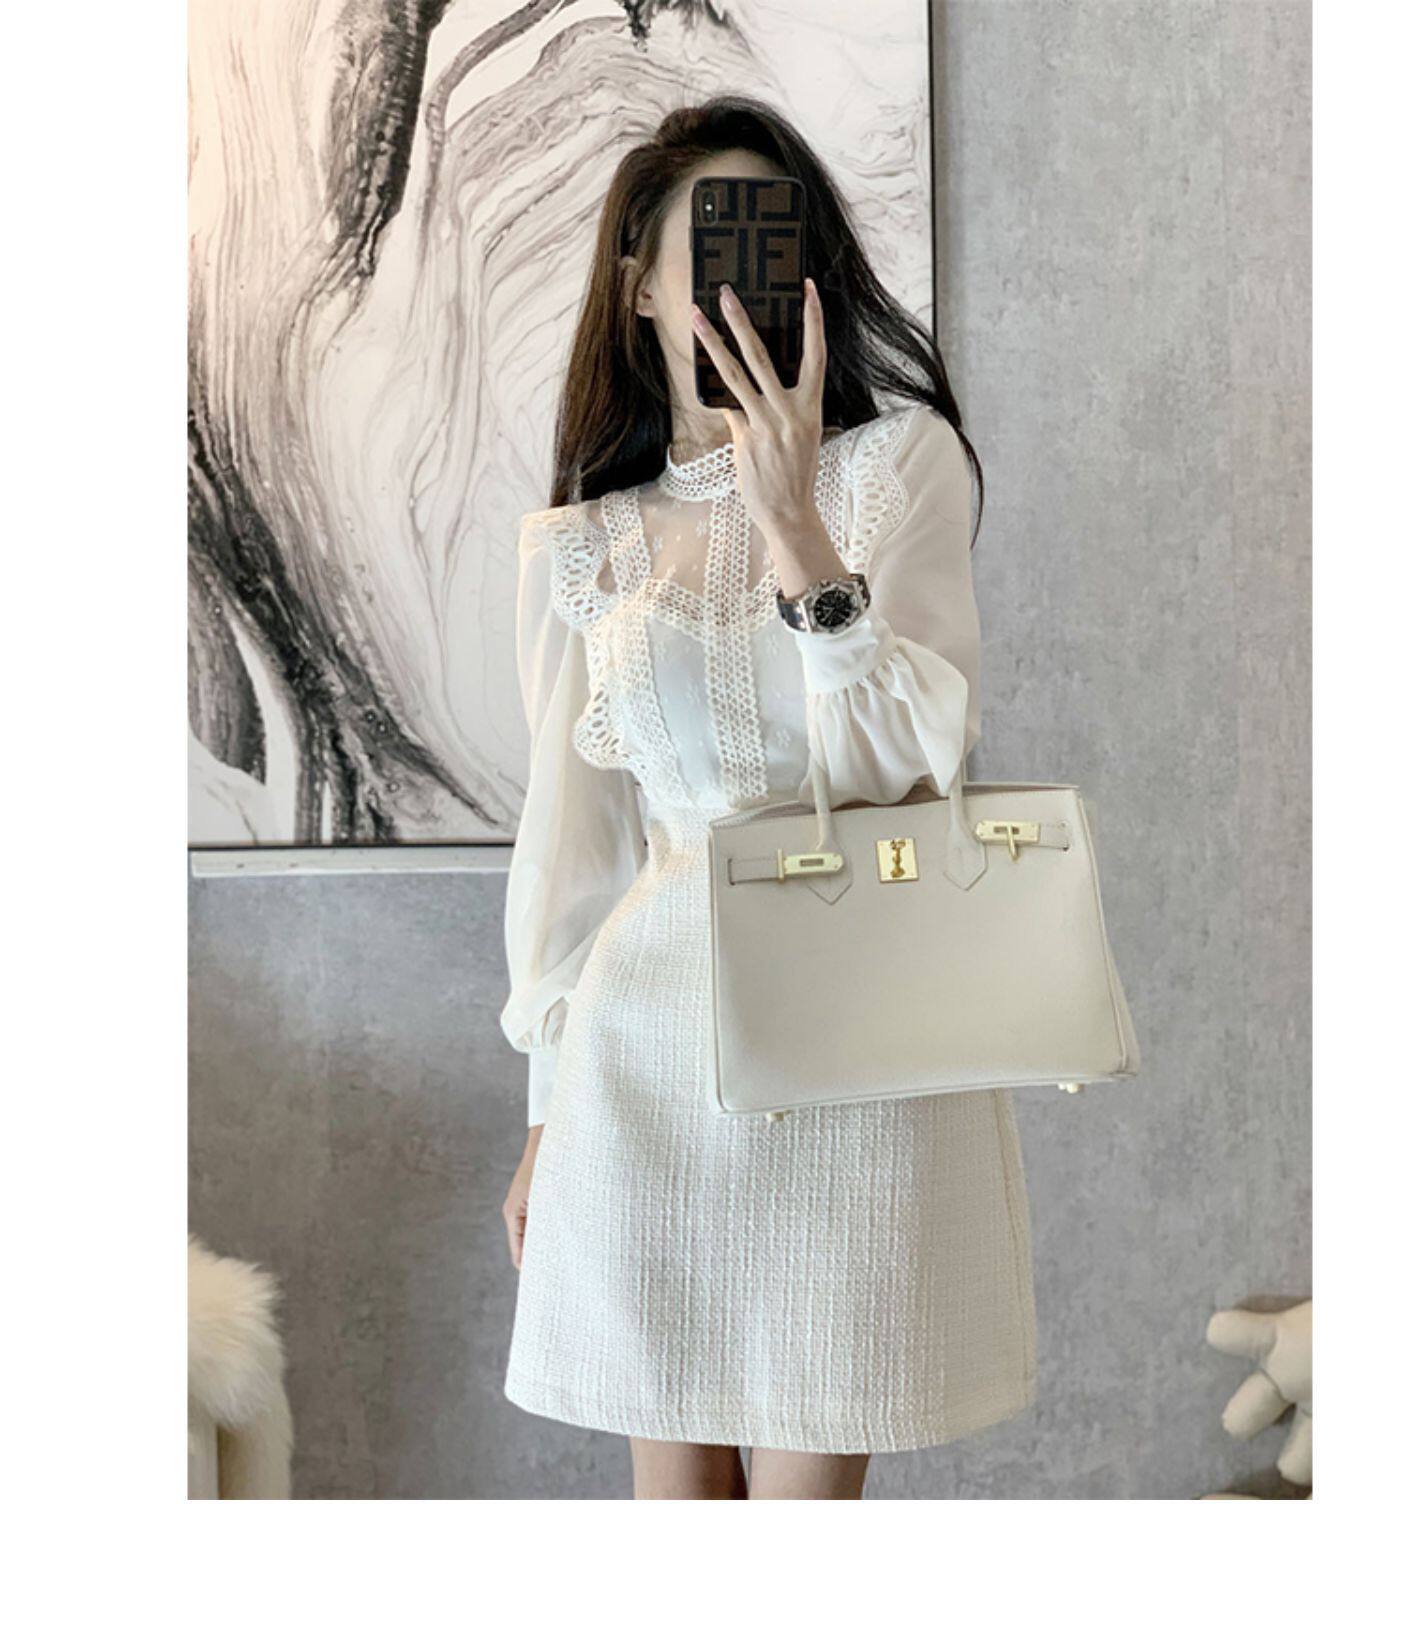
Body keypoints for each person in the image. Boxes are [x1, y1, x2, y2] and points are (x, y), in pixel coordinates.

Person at [498, 96, 1036, 1500]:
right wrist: (547, 1113)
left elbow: (911, 767)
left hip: (852, 1052)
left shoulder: (899, 469)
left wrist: (795, 521)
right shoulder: (581, 546)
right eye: (711, 248)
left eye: (774, 245)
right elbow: (572, 854)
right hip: (645, 1067)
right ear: (641, 284)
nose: (744, 284)